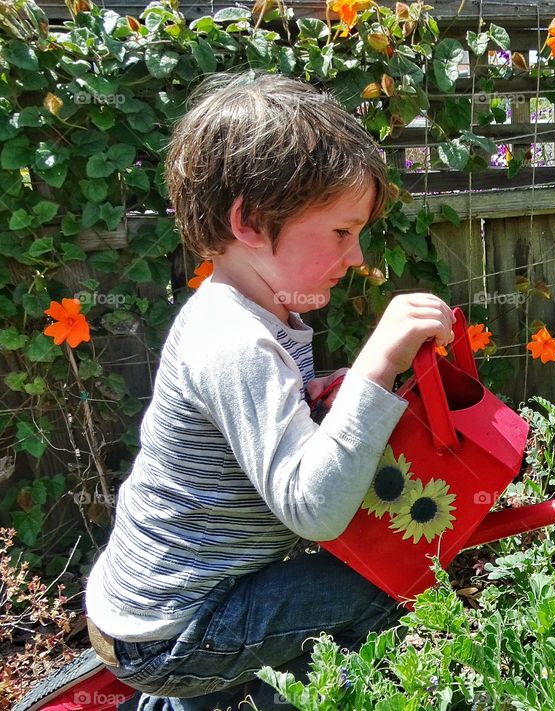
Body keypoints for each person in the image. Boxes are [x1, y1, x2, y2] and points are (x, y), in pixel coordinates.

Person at [83, 69, 456, 711]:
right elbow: (312, 509)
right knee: (378, 587)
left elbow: (266, 426)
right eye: (342, 232)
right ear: (251, 221)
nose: (358, 257)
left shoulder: (261, 315)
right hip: (171, 633)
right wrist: (376, 365)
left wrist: (325, 397)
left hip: (171, 608)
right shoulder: (233, 340)